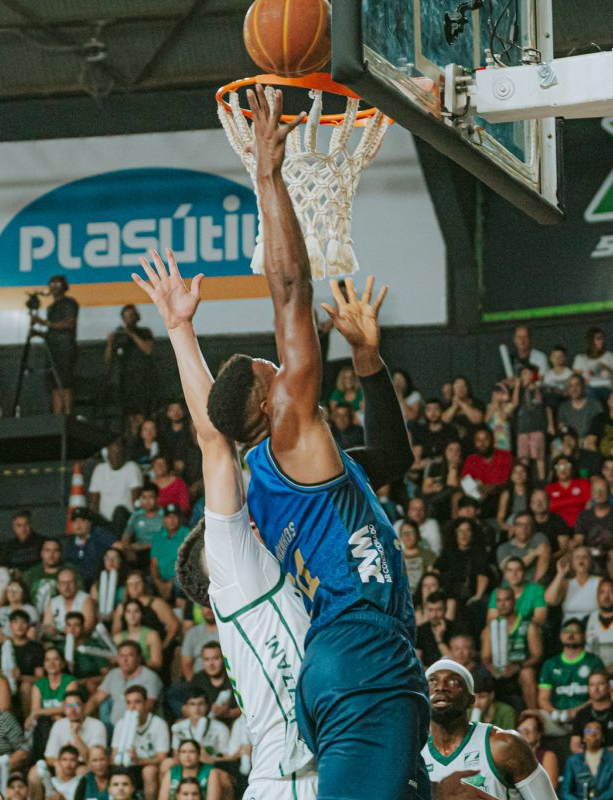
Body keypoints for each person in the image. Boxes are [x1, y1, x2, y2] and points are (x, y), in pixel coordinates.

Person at [200, 87, 424, 800]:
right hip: (362, 659)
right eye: (275, 369)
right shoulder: (290, 432)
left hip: (348, 662)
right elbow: (291, 289)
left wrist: (368, 363)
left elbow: (393, 462)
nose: (288, 370)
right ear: (267, 403)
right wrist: (269, 176)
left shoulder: (278, 482)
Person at [422, 659, 557, 800]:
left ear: (471, 700)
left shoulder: (505, 745)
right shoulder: (415, 756)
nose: (440, 687)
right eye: (432, 682)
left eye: (453, 681)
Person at [535, 618, 605, 734]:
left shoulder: (594, 662)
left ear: (584, 636)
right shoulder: (550, 664)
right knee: (531, 721)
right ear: (560, 635)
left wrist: (575, 712)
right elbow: (543, 699)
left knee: (593, 729)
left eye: (575, 631)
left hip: (585, 719)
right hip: (556, 718)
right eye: (566, 631)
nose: (570, 635)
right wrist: (555, 712)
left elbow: (599, 695)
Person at [31, 275, 79, 416]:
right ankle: (58, 416)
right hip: (52, 348)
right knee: (54, 384)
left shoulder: (70, 303)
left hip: (65, 348)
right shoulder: (51, 307)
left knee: (65, 382)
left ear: (64, 286)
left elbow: (69, 324)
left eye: (57, 284)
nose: (54, 287)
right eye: (51, 284)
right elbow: (53, 331)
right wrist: (39, 332)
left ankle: (68, 415)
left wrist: (45, 323)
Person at [107, 303, 159, 427]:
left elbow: (148, 349)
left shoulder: (144, 332)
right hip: (126, 380)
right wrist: (110, 343)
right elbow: (109, 359)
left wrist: (131, 334)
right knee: (129, 414)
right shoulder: (119, 335)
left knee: (143, 412)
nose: (129, 318)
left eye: (131, 315)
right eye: (126, 316)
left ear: (137, 316)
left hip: (143, 378)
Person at [89, 441, 144, 535]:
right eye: (112, 454)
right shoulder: (99, 469)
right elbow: (94, 501)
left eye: (118, 454)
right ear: (107, 454)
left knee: (119, 512)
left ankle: (116, 542)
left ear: (124, 454)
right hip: (104, 521)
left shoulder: (132, 467)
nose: (115, 457)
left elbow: (136, 502)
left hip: (125, 520)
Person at [559, 719, 613, 800]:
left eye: (597, 730)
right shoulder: (573, 761)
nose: (593, 733)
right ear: (583, 738)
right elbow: (565, 792)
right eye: (588, 730)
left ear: (603, 737)